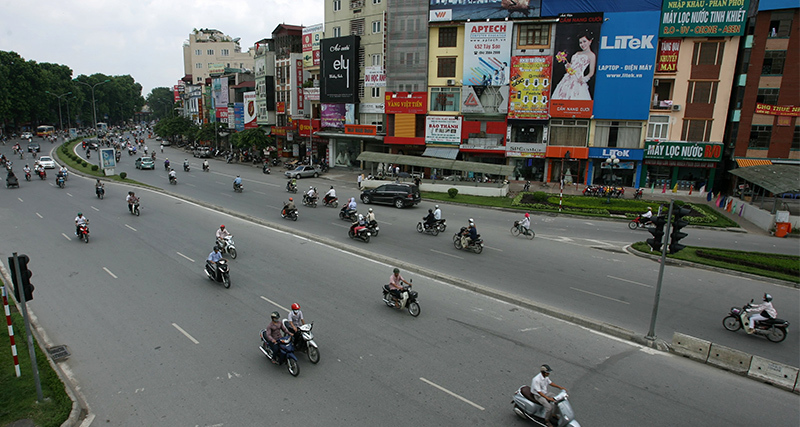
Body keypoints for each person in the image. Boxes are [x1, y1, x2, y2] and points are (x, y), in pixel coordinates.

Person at [552, 29, 597, 101]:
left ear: (590, 41)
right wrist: (568, 67)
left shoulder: (591, 55)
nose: (582, 44)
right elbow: (570, 69)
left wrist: (584, 79)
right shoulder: (576, 53)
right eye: (580, 42)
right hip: (567, 80)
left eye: (584, 41)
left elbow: (591, 72)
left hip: (578, 80)